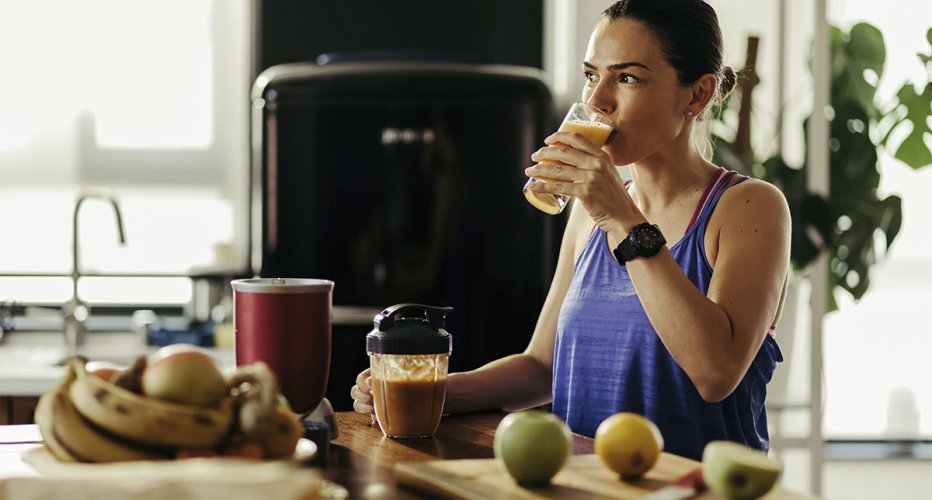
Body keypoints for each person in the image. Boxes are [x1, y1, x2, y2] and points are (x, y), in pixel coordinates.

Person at [351, 0, 790, 461]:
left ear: (697, 96)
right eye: (590, 75)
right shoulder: (590, 213)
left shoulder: (748, 207)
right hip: (584, 487)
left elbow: (715, 372)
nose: (598, 99)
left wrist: (622, 219)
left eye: (627, 77)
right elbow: (542, 366)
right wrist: (425, 390)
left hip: (694, 490)